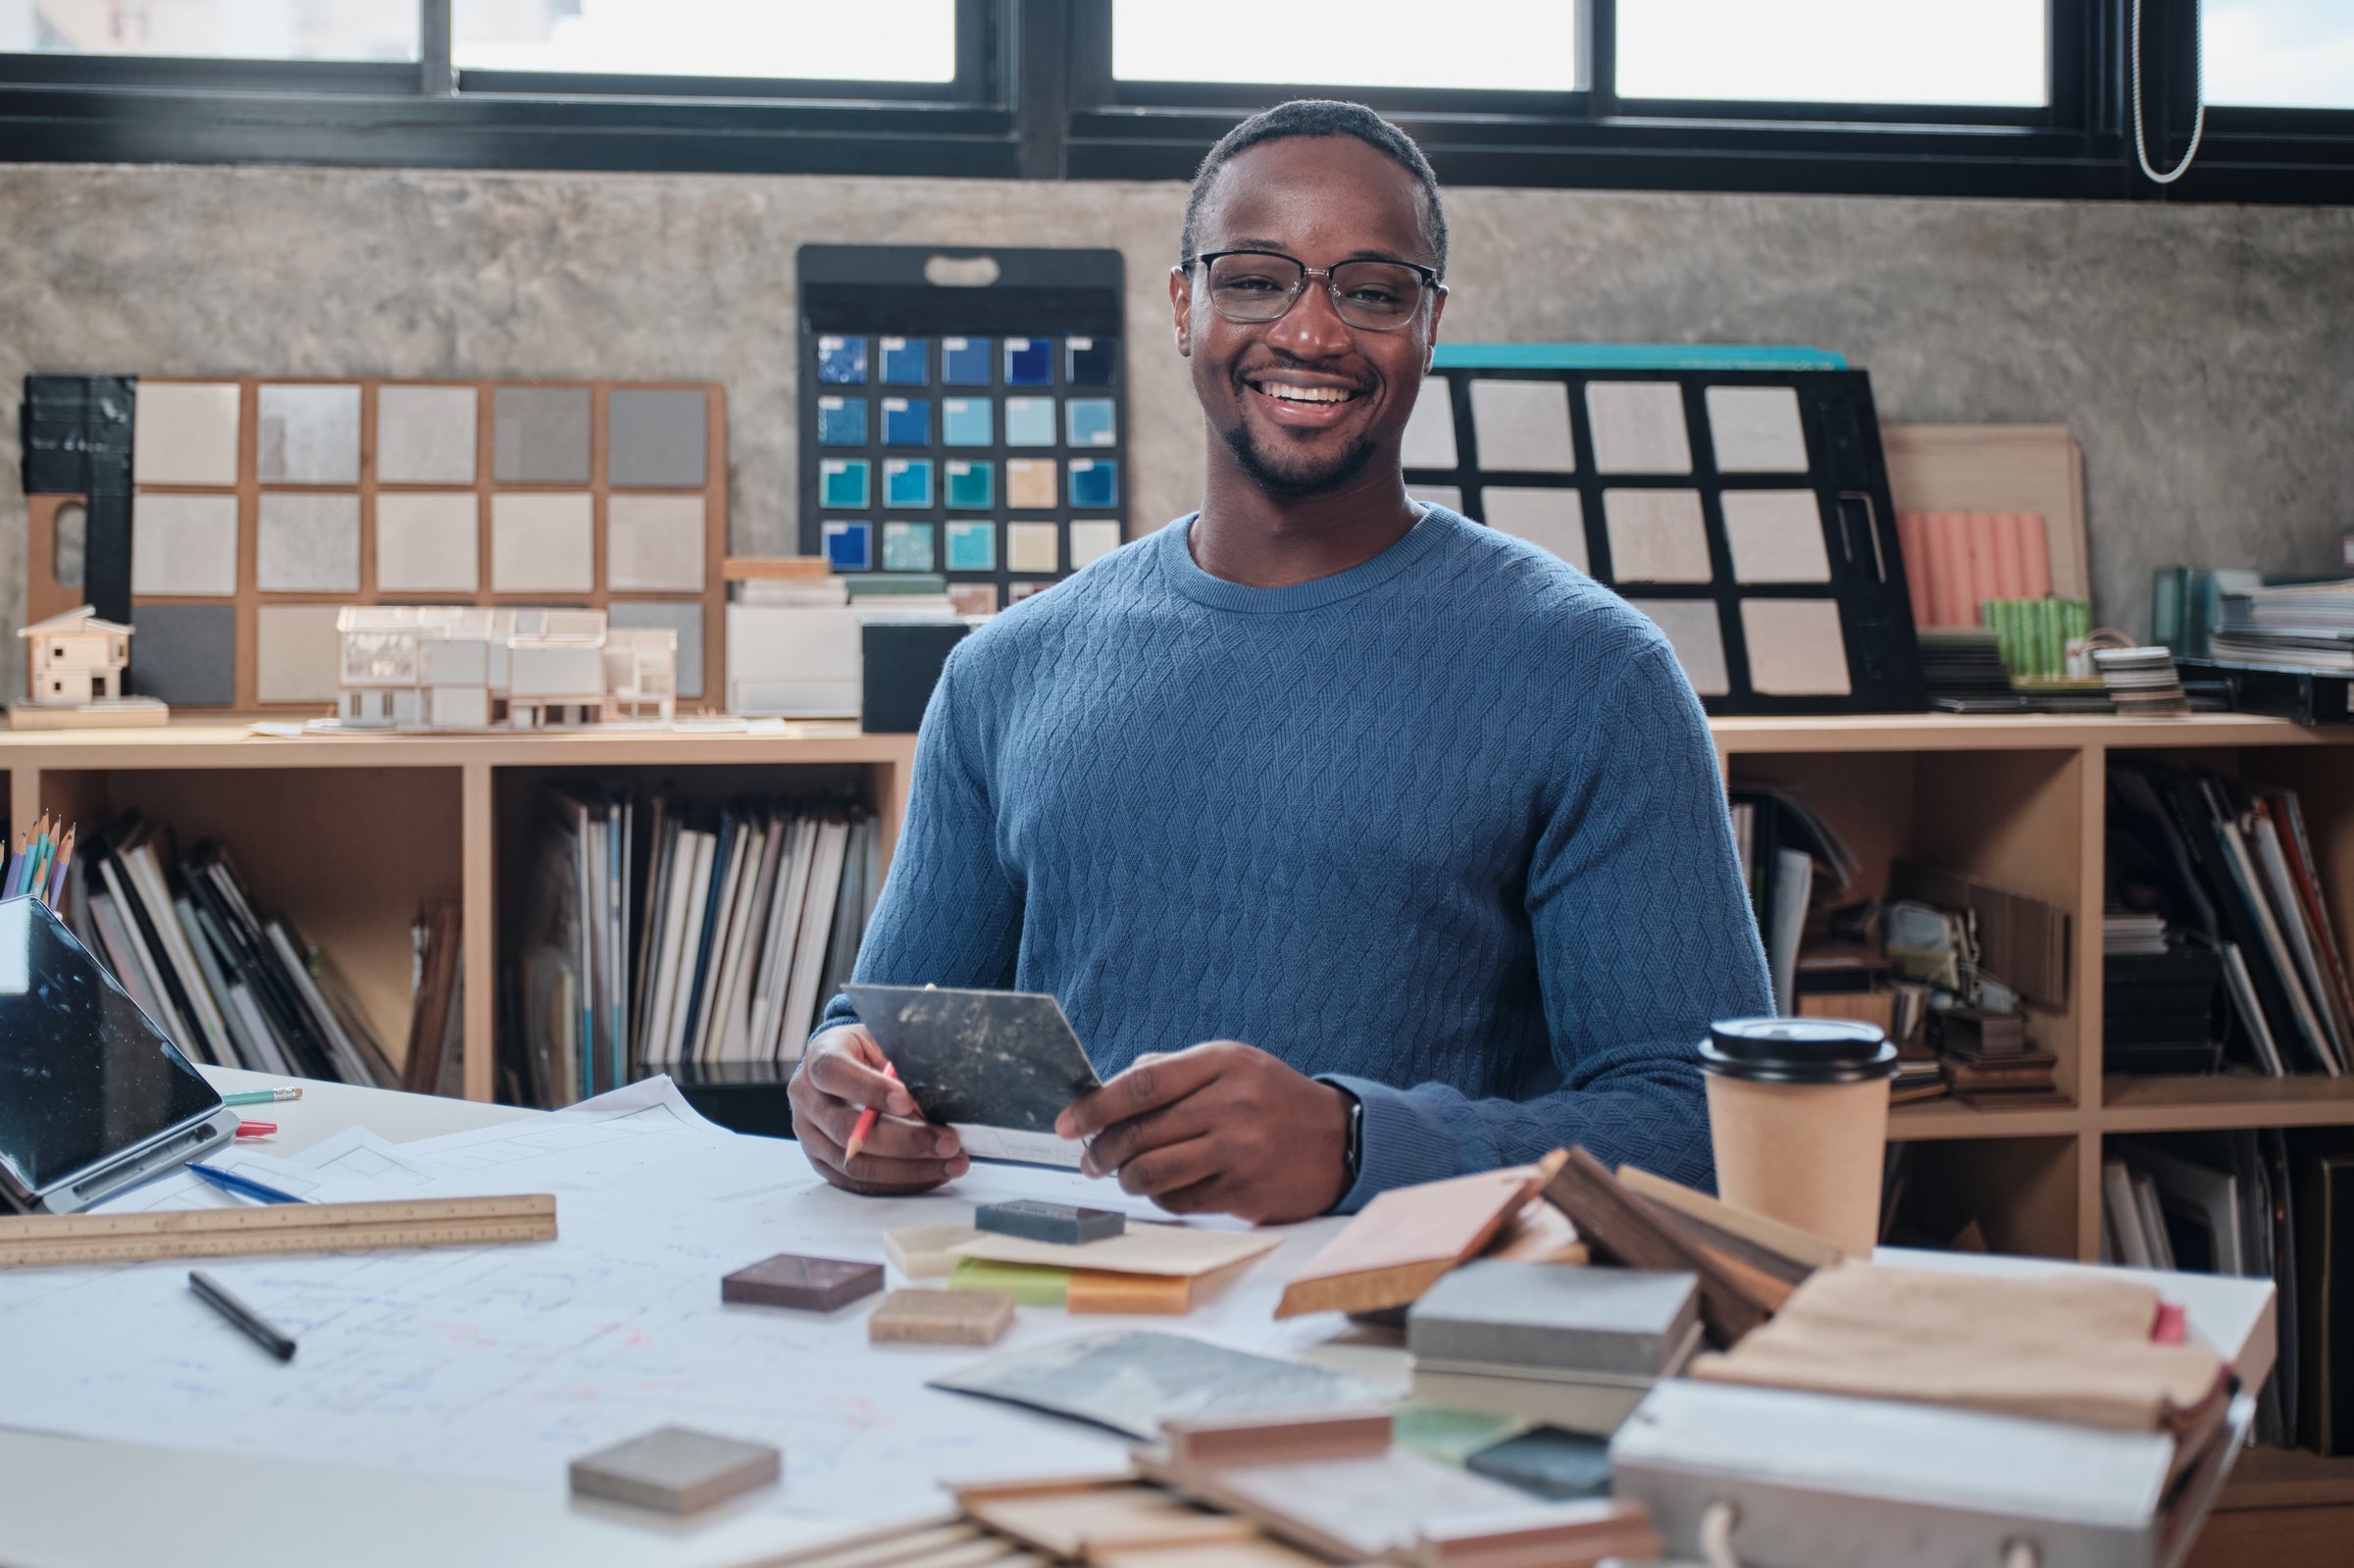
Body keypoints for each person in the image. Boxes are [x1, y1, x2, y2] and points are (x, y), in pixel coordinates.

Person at [789, 99, 1771, 1223]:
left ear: (1430, 322)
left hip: (1386, 1340)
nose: (1310, 334)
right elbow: (887, 1038)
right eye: (1257, 277)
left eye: (1372, 289)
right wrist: (842, 1088)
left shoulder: (1597, 677)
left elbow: (1707, 1123)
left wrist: (1361, 1146)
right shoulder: (1003, 674)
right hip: (1044, 1314)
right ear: (1183, 304)